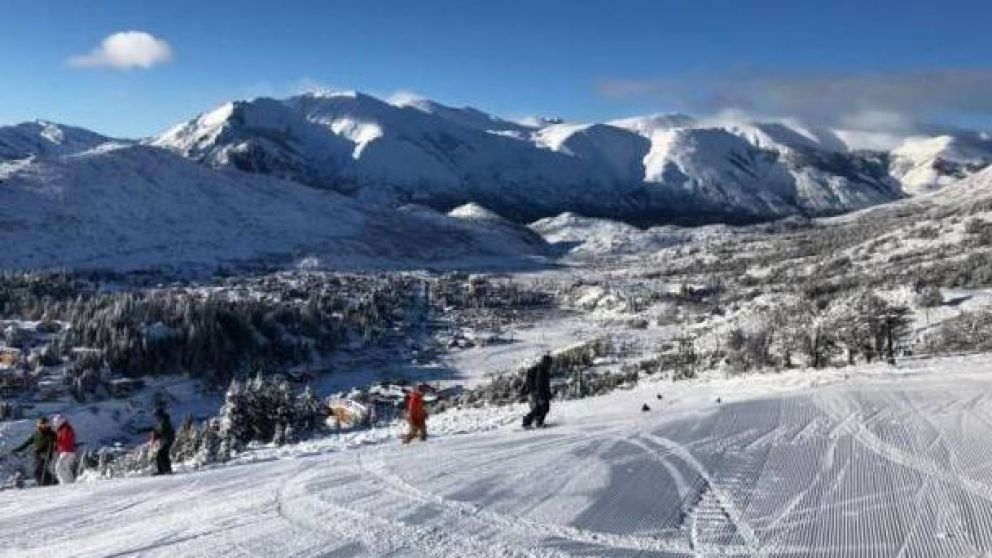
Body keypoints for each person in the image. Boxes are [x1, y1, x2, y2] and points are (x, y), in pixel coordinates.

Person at [12, 417, 57, 486]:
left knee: (39, 471)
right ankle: (50, 482)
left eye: (46, 424)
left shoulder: (51, 433)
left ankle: (47, 483)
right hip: (38, 455)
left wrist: (52, 441)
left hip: (46, 455)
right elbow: (27, 442)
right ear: (39, 424)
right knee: (40, 471)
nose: (44, 425)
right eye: (42, 424)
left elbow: (54, 443)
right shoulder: (36, 434)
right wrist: (18, 449)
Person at [522, 354, 553, 429]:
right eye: (550, 363)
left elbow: (544, 384)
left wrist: (548, 393)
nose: (551, 365)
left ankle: (536, 422)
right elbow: (539, 383)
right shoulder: (542, 370)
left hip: (535, 392)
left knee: (540, 408)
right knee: (541, 408)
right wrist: (541, 396)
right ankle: (528, 421)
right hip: (536, 392)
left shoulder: (542, 369)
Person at [52, 414, 77, 484]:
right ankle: (69, 482)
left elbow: (65, 439)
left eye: (56, 422)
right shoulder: (62, 429)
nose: (55, 424)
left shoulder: (66, 429)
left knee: (59, 467)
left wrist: (56, 442)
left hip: (68, 451)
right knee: (64, 468)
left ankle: (67, 483)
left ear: (60, 421)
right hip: (65, 451)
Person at [149, 407, 174, 475]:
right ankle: (163, 470)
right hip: (165, 440)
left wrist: (157, 435)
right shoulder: (162, 420)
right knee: (161, 454)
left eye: (156, 415)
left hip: (166, 440)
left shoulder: (164, 421)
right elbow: (159, 430)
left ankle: (166, 470)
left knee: (163, 454)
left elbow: (164, 431)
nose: (155, 417)